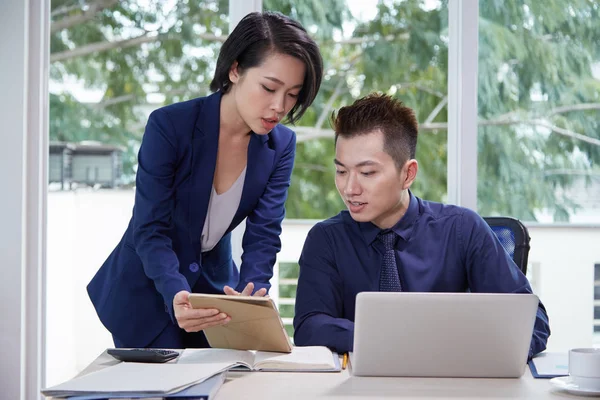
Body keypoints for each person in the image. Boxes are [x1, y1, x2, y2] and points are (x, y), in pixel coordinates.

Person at [87, 11, 323, 349]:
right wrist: (174, 292)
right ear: (236, 69)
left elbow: (264, 233)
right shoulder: (170, 127)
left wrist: (252, 294)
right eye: (269, 88)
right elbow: (149, 229)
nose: (278, 106)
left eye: (292, 95)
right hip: (148, 291)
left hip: (215, 292)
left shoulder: (280, 145)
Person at [293, 93, 550, 358]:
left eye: (367, 173)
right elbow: (309, 327)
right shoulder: (326, 239)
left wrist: (462, 347)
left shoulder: (462, 229)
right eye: (342, 171)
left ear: (408, 174)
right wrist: (391, 339)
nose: (349, 188)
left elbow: (534, 323)